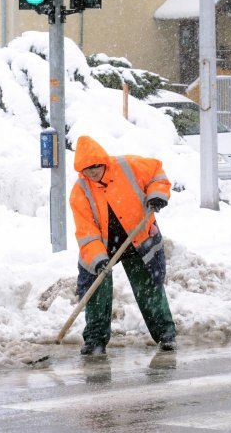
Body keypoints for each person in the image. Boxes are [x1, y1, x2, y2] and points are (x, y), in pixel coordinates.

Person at [69, 135, 176, 355]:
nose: (93, 172)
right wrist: (98, 260)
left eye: (96, 166)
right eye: (87, 169)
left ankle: (165, 335)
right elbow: (86, 232)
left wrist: (156, 195)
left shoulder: (128, 166)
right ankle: (95, 341)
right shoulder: (80, 191)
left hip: (137, 239)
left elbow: (157, 173)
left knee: (148, 288)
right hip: (102, 247)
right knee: (96, 289)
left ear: (103, 161)